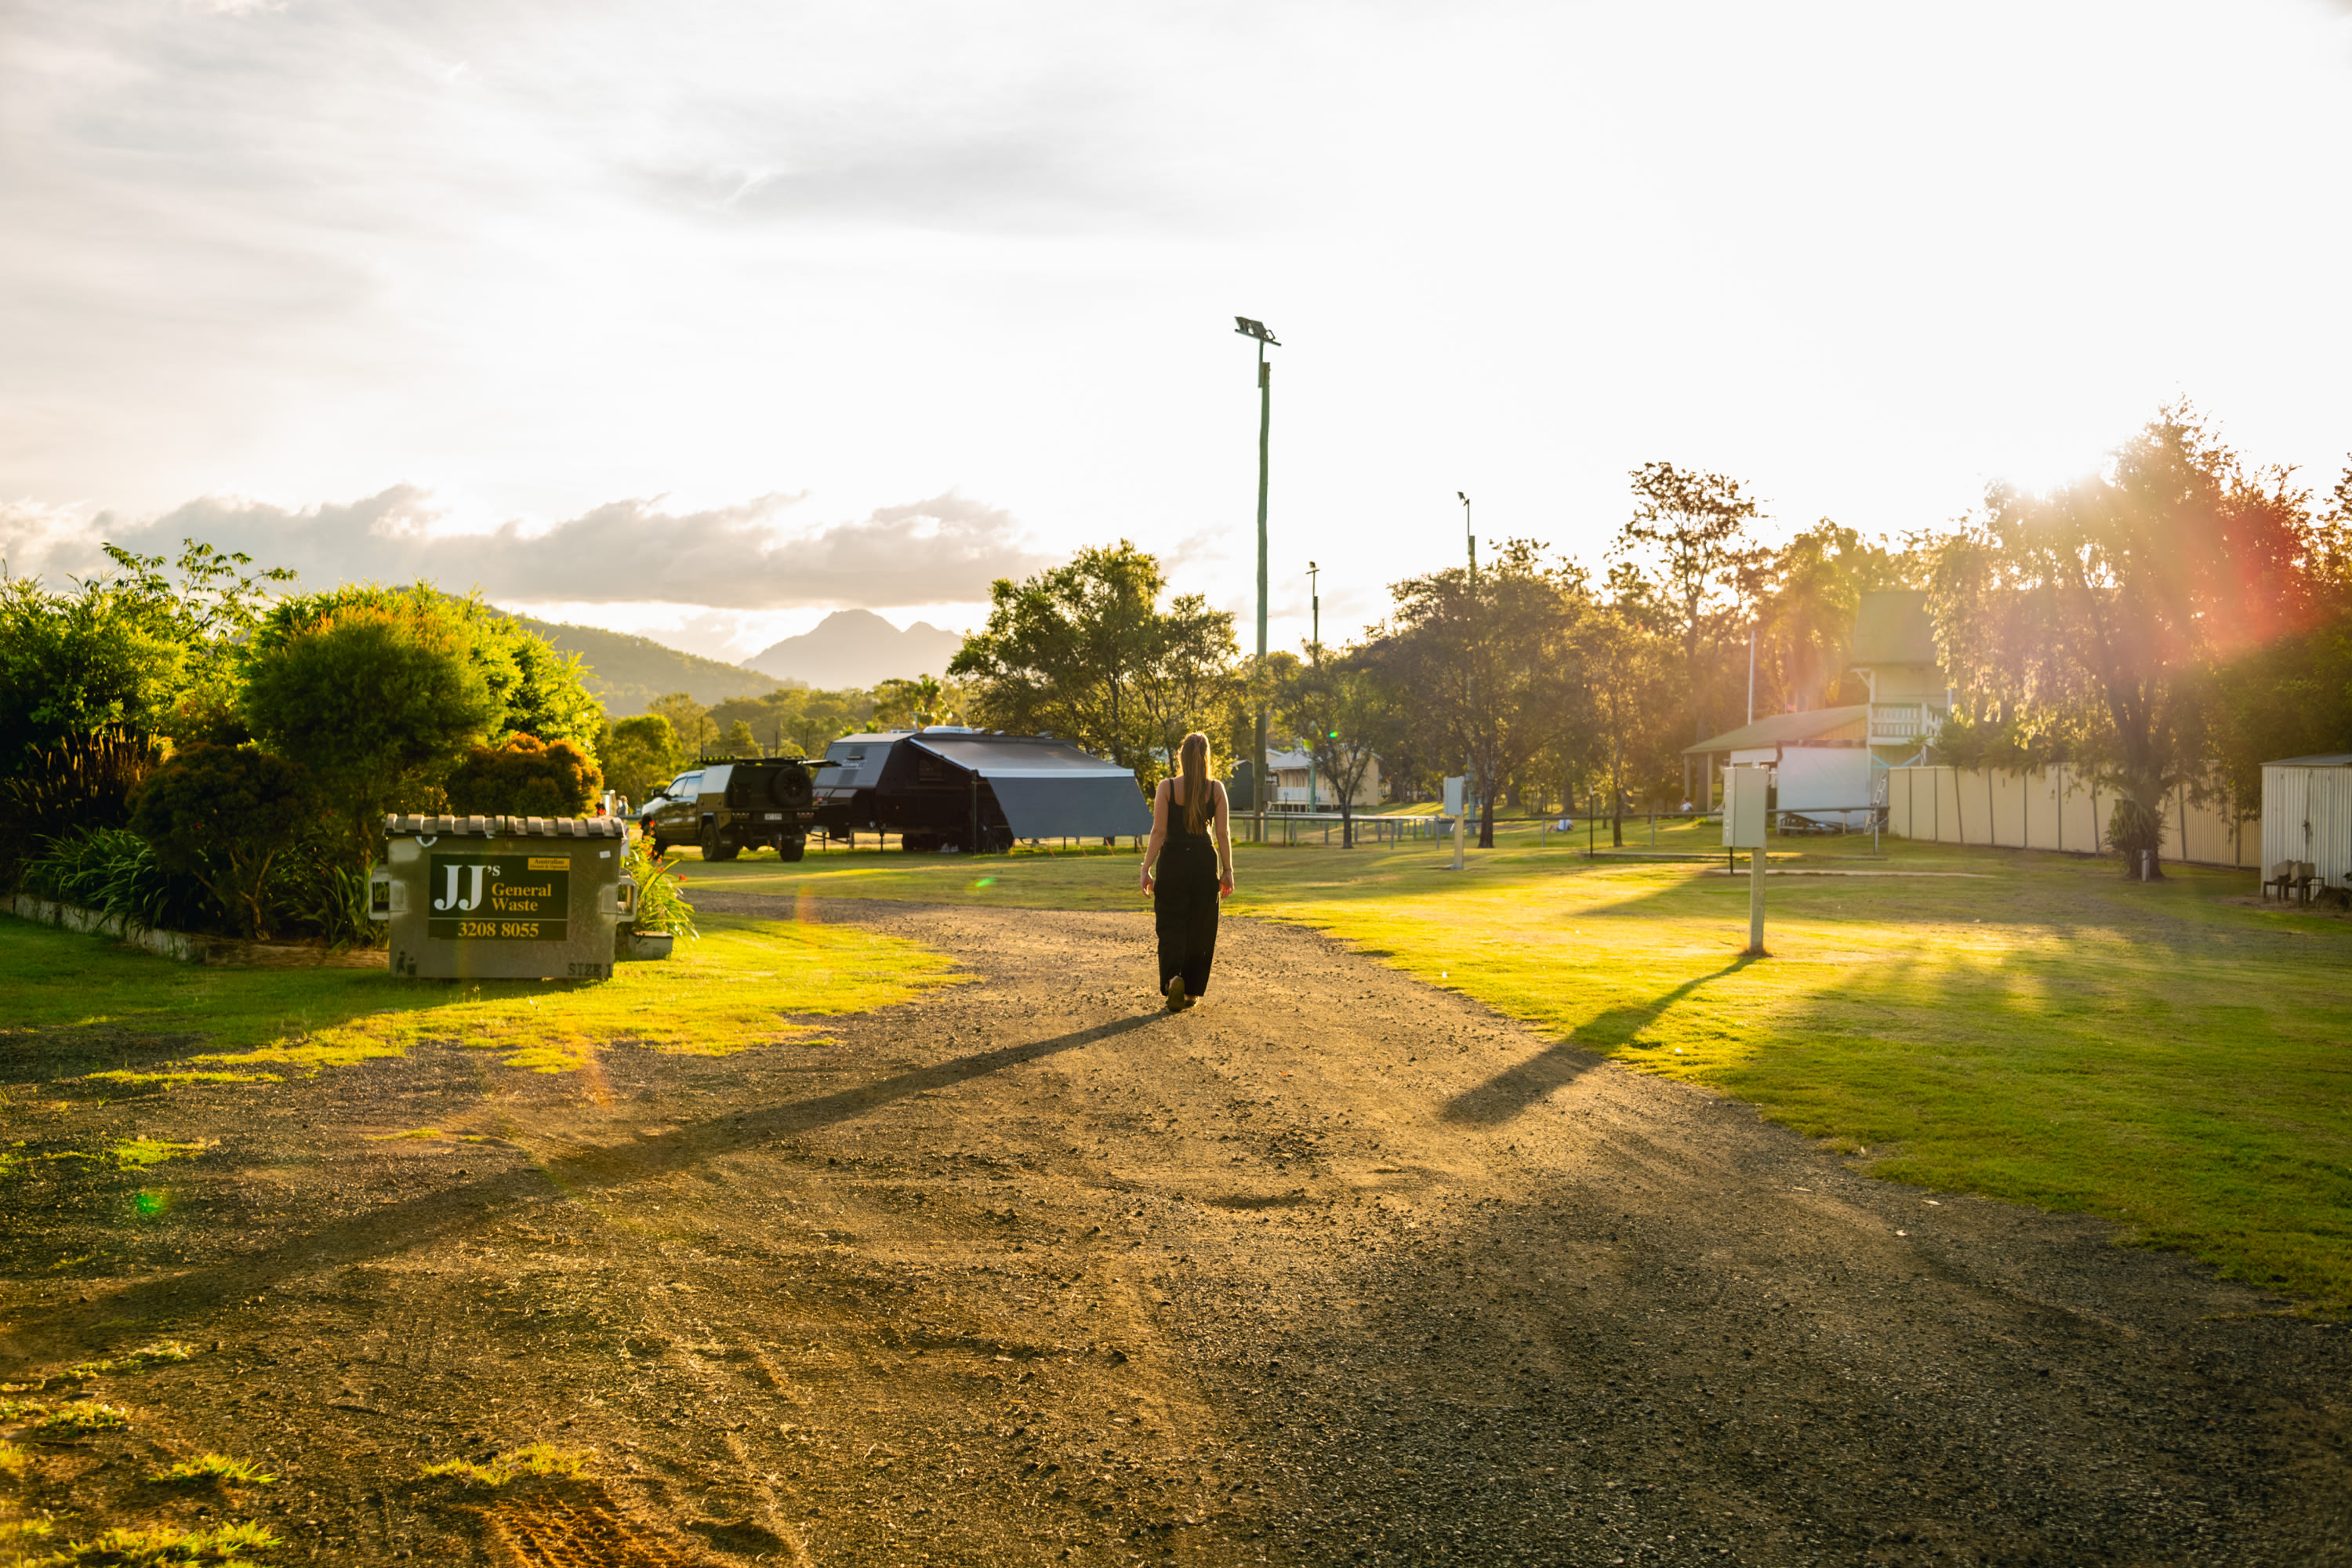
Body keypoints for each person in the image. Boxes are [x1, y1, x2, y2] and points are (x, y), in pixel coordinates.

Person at [1138, 731, 1236, 1011]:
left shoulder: (1167, 787)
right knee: (1201, 926)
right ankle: (1191, 990)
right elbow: (1223, 833)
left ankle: (1172, 980)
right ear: (1207, 758)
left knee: (1170, 924)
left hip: (1172, 862)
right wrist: (1227, 870)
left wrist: (1146, 868)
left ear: (1181, 757)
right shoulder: (1216, 789)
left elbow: (1158, 831)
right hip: (1204, 862)